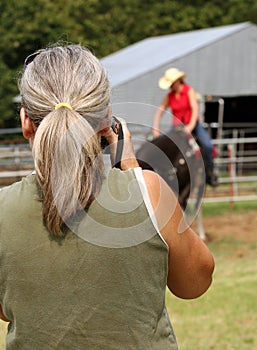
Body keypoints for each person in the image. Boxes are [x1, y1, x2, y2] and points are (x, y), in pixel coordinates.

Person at [0, 44, 214, 350]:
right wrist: (131, 169)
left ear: (25, 122)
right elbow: (196, 282)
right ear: (107, 120)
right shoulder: (148, 192)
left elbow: (7, 307)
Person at [153, 67, 218, 187]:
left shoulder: (189, 91)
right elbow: (159, 112)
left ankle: (210, 173)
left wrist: (190, 126)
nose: (170, 86)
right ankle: (166, 172)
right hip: (177, 127)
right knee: (162, 144)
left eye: (171, 83)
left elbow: (195, 109)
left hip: (193, 126)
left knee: (208, 145)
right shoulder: (169, 96)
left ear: (178, 81)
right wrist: (155, 128)